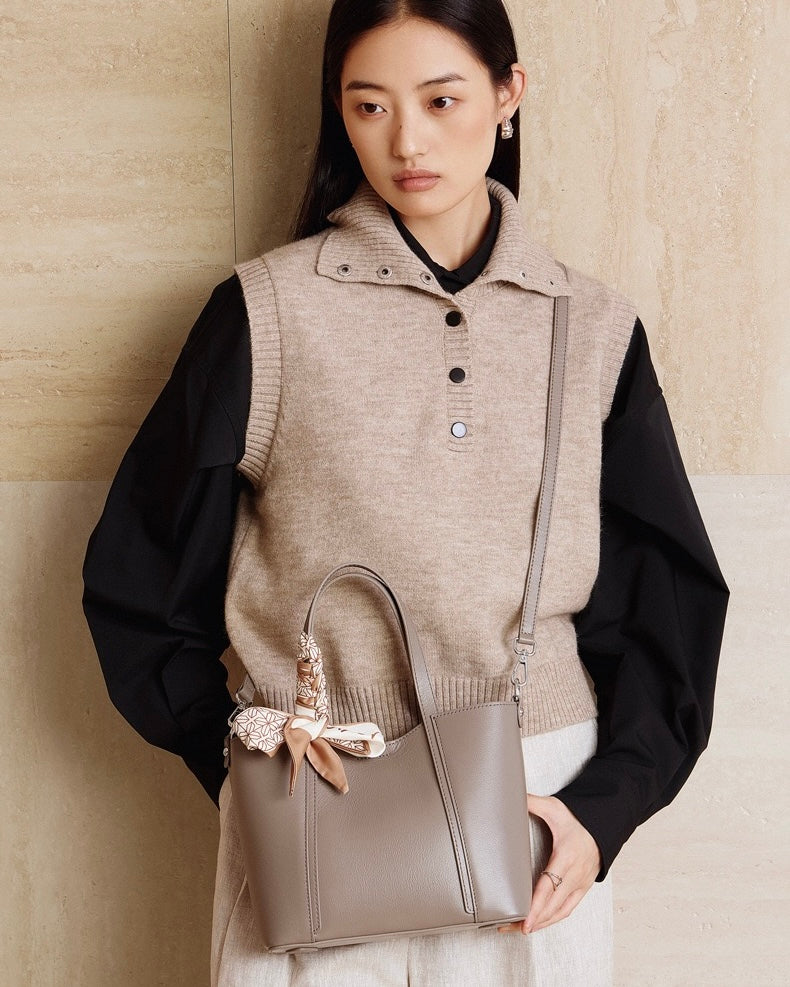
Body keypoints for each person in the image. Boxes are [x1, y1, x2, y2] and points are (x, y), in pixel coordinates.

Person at [81, 1, 729, 984]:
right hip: (319, 796)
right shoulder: (267, 312)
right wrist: (242, 761)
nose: (407, 141)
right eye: (369, 105)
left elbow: (665, 608)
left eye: (441, 99)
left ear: (508, 95)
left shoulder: (591, 327)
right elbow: (140, 584)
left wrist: (603, 813)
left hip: (535, 807)